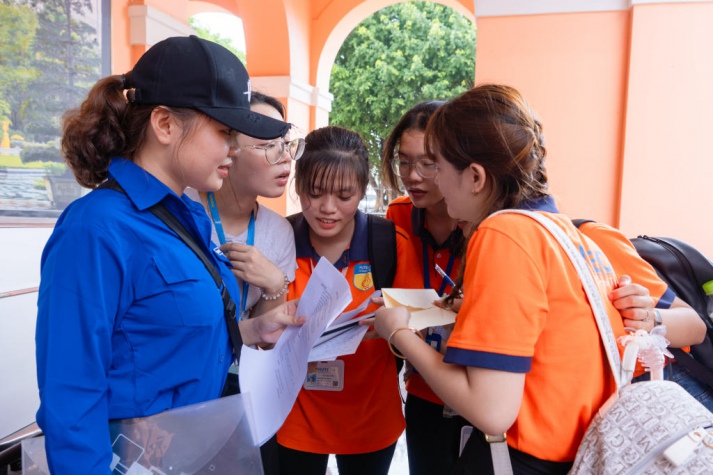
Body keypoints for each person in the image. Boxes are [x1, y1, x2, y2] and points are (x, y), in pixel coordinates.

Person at [35, 36, 305, 474]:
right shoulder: (98, 227)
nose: (234, 149)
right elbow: (72, 389)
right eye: (223, 132)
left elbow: (157, 334)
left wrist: (250, 328)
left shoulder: (185, 217)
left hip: (188, 452)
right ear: (164, 124)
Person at [374, 84, 633, 473]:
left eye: (438, 168)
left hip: (524, 459)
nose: (435, 185)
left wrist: (399, 334)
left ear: (475, 177)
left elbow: (491, 411)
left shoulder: (503, 233)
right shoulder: (562, 232)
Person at [276, 126, 421, 475]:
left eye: (344, 195)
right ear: (298, 187)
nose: (327, 209)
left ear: (361, 191)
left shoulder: (389, 244)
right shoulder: (278, 240)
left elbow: (415, 323)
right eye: (315, 193)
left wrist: (386, 329)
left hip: (369, 419)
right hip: (295, 418)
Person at [184, 91, 302, 475]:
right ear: (227, 149)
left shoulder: (277, 231)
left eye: (286, 145)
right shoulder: (183, 211)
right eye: (268, 146)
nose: (284, 159)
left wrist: (274, 284)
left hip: (243, 393)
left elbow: (267, 341)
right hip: (185, 390)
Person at [380, 101, 470, 475]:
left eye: (428, 163)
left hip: (476, 389)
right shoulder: (397, 215)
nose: (412, 176)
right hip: (422, 388)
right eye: (404, 161)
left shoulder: (487, 226)